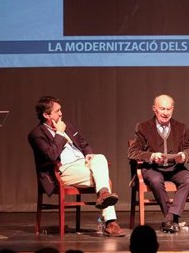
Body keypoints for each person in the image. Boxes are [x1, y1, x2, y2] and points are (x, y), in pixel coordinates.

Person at [27, 96, 124, 237]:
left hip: (83, 164)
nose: (61, 114)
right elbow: (51, 155)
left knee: (100, 157)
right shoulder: (36, 134)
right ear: (46, 115)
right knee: (103, 178)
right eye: (57, 111)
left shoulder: (68, 125)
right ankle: (111, 222)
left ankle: (103, 194)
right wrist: (59, 133)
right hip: (63, 170)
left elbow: (84, 144)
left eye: (61, 110)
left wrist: (89, 154)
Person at [128, 94, 189, 233]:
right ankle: (171, 219)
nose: (165, 113)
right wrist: (151, 156)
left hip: (174, 168)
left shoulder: (181, 127)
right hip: (152, 168)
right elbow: (133, 152)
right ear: (155, 109)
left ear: (173, 109)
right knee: (155, 179)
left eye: (168, 109)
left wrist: (184, 156)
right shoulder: (143, 127)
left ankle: (168, 219)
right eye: (162, 109)